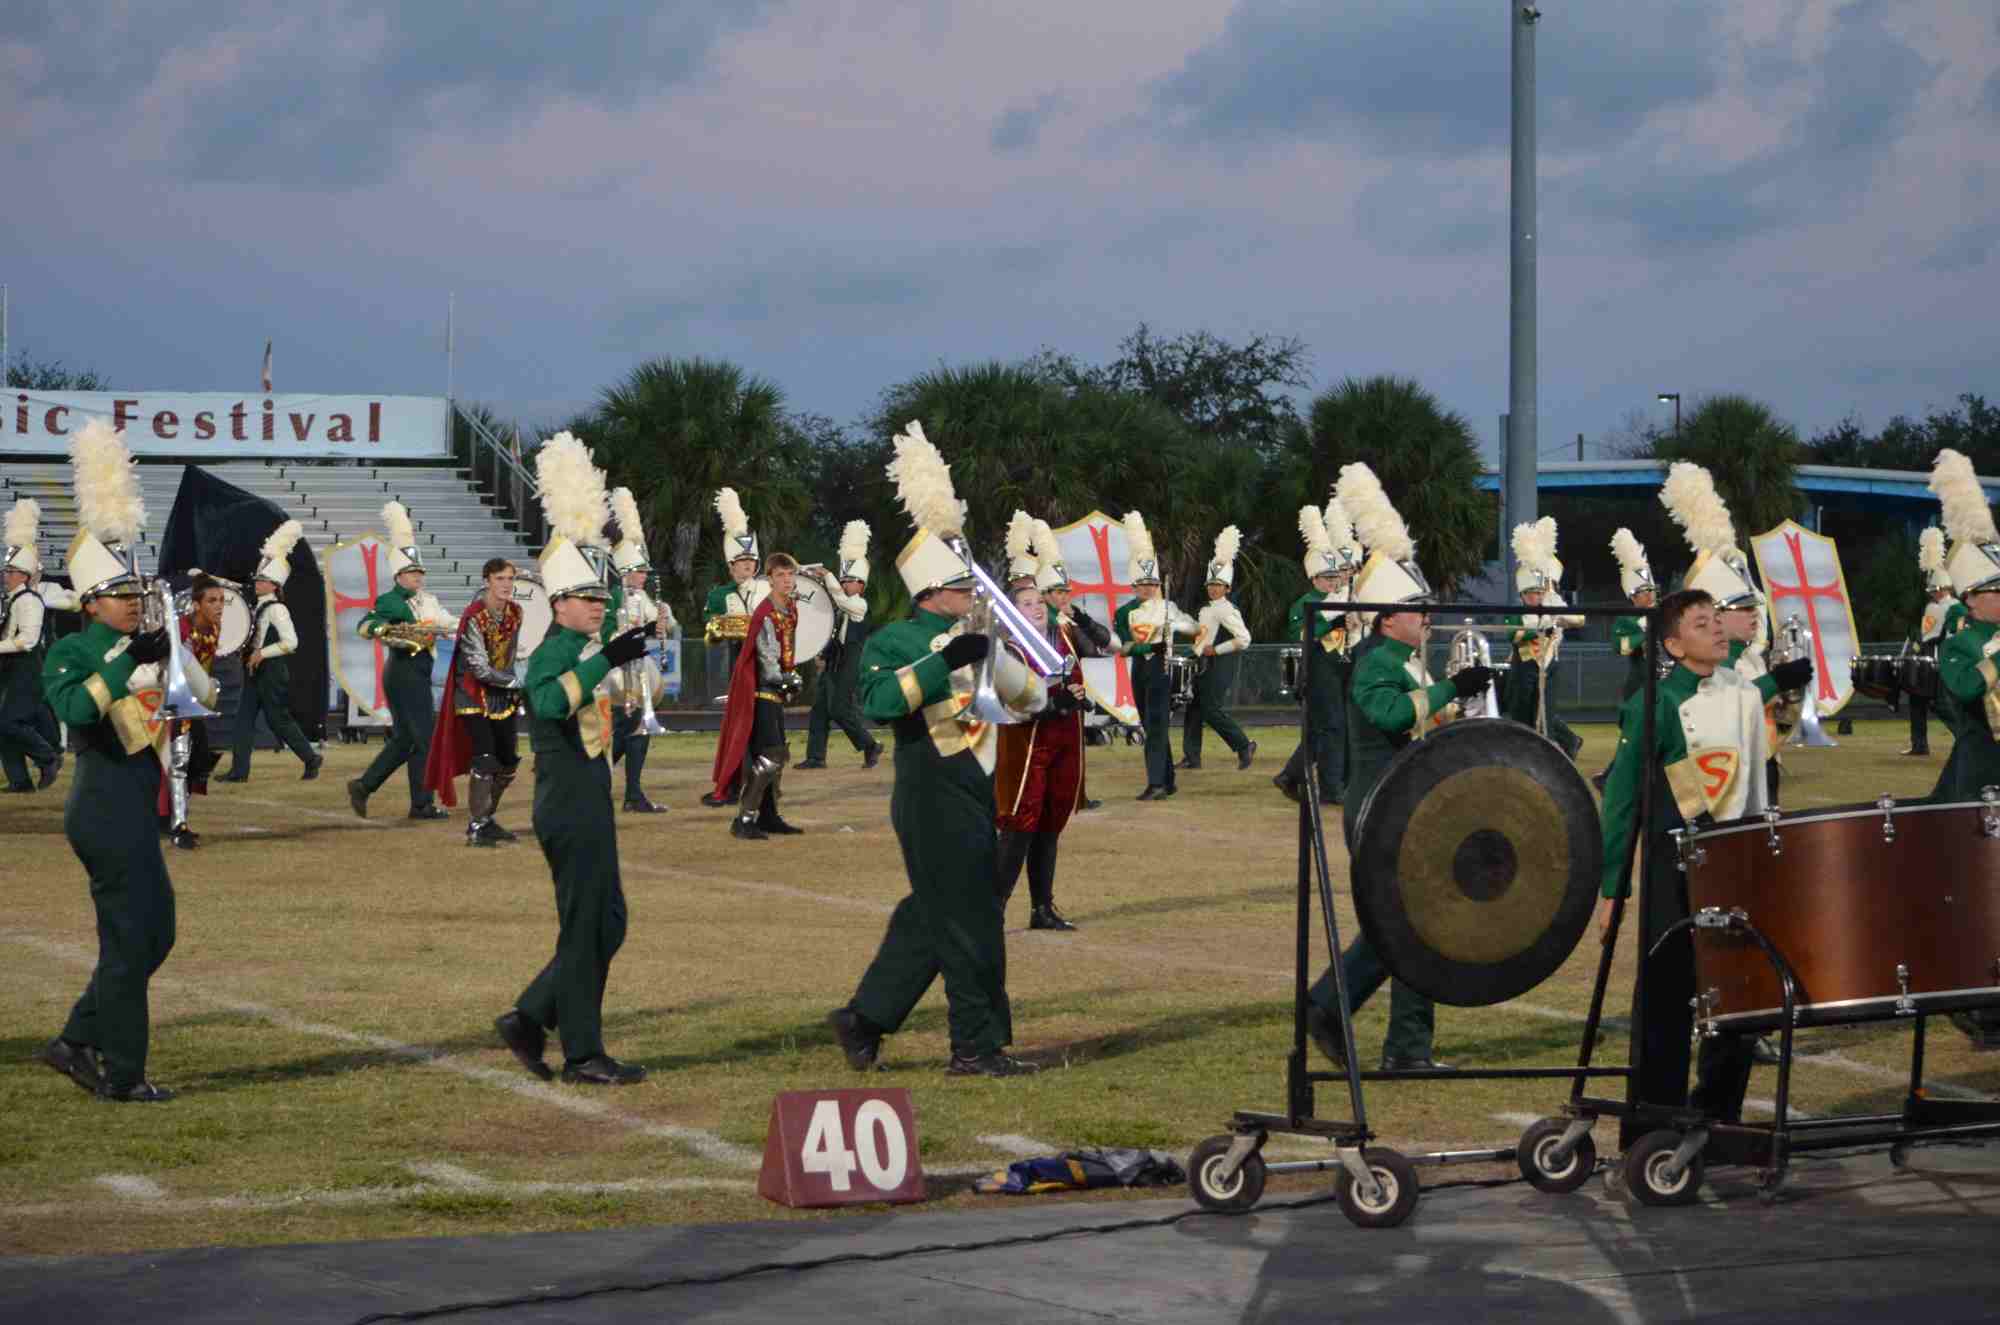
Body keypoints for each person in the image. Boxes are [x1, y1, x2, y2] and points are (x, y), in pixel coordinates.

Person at [828, 421, 1046, 1077]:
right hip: (930, 789)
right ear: (930, 593)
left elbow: (1028, 698)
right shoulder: (895, 639)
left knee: (933, 914)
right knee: (970, 921)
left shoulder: (975, 631)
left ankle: (864, 1017)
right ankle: (975, 1045)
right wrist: (945, 658)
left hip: (977, 787)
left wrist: (1011, 662)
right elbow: (879, 702)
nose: (972, 596)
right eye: (962, 589)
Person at [1303, 462, 1491, 1074]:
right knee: (1405, 924)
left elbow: (1421, 719)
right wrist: (1449, 691)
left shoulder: (1407, 660)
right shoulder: (1377, 662)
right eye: (1415, 607)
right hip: (1379, 804)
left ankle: (1401, 1043)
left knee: (1414, 923)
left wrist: (1461, 703)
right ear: (1387, 617)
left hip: (1404, 800)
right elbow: (1388, 714)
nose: (1426, 614)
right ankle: (1334, 1009)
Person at [1596, 588, 1810, 1127]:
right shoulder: (1654, 703)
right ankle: (1654, 1123)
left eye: (1717, 618)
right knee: (1667, 996)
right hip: (1674, 868)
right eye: (1701, 623)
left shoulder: (1737, 688)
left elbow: (1745, 699)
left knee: (1741, 990)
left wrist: (1782, 680)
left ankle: (1719, 1114)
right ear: (1673, 645)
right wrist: (1613, 888)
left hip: (1736, 858)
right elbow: (1622, 798)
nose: (1717, 627)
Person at [492, 432, 653, 1086]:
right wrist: (608, 657)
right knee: (588, 925)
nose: (599, 604)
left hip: (589, 796)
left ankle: (531, 1016)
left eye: (601, 596)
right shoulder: (553, 651)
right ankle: (582, 1052)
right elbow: (548, 701)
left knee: (608, 922)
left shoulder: (584, 646)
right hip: (566, 801)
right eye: (588, 596)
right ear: (558, 602)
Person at [36, 420, 179, 1103]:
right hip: (101, 804)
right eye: (122, 596)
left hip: (136, 800)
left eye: (135, 594)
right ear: (91, 602)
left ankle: (75, 1036)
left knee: (157, 934)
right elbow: (76, 708)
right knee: (127, 938)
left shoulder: (141, 641)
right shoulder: (72, 649)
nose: (133, 604)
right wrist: (127, 658)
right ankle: (122, 1071)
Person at [348, 501, 457, 821]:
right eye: (412, 572)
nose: (418, 576)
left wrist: (469, 624)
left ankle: (364, 786)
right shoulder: (389, 600)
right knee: (424, 738)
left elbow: (448, 623)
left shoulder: (429, 601)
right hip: (403, 670)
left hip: (419, 671)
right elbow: (365, 625)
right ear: (399, 575)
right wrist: (387, 630)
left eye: (419, 571)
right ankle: (421, 804)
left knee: (407, 739)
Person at [994, 581, 1087, 931]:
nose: (1036, 608)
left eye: (1038, 602)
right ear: (1013, 613)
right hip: (1028, 747)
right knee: (1020, 827)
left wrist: (1077, 696)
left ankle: (1042, 908)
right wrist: (1055, 703)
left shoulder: (1064, 641)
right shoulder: (1011, 651)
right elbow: (1014, 707)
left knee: (1050, 827)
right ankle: (991, 909)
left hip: (1065, 744)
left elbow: (1109, 645)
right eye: (1026, 603)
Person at [423, 557, 525, 846]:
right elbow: (478, 667)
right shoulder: (474, 616)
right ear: (487, 581)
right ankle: (477, 826)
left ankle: (487, 819)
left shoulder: (516, 612)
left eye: (510, 578)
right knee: (485, 759)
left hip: (501, 694)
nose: (506, 584)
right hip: (471, 694)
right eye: (500, 579)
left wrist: (512, 685)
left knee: (508, 762)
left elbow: (509, 656)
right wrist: (516, 683)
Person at [217, 521, 322, 784]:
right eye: (258, 579)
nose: (257, 583)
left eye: (262, 580)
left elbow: (291, 642)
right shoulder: (256, 607)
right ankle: (239, 772)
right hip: (254, 670)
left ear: (274, 585)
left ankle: (311, 758)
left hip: (272, 671)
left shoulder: (278, 610)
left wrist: (262, 653)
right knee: (243, 721)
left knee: (279, 721)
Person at [1274, 498, 1362, 804]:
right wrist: (1332, 621)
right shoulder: (1305, 603)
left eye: (1335, 576)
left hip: (1343, 667)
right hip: (1319, 669)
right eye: (1326, 577)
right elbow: (1300, 635)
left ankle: (1291, 775)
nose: (1332, 582)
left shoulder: (1342, 597)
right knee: (1332, 727)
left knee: (1324, 728)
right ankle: (1330, 788)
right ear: (1313, 578)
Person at [712, 553, 805, 839]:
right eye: (780, 575)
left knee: (777, 755)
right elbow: (767, 659)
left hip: (773, 691)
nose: (787, 580)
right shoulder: (766, 613)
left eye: (790, 574)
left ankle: (769, 816)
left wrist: (791, 676)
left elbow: (786, 652)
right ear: (770, 580)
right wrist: (788, 680)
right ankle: (744, 820)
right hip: (760, 691)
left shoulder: (789, 609)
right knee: (770, 756)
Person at [1927, 450, 2000, 803]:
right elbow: (1967, 688)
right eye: (1996, 591)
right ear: (1970, 598)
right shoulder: (1960, 643)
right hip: (1984, 766)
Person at [1112, 510, 1195, 801]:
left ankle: (1157, 783)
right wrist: (1150, 646)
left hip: (1162, 671)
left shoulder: (1167, 607)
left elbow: (1194, 628)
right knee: (1151, 726)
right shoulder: (1124, 612)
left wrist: (1175, 626)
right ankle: (1167, 780)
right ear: (1133, 585)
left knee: (1158, 724)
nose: (1148, 589)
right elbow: (1124, 647)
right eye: (1143, 584)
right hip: (1140, 670)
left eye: (1152, 584)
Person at [604, 488, 674, 813]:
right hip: (615, 672)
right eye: (640, 570)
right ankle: (604, 783)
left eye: (646, 571)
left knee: (635, 731)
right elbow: (608, 635)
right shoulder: (613, 597)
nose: (645, 576)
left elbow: (661, 626)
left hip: (637, 671)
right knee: (625, 730)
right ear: (625, 571)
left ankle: (630, 792)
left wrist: (663, 621)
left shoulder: (642, 597)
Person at [798, 519, 883, 771]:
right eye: (844, 580)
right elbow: (833, 633)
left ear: (861, 585)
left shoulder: (859, 605)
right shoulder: (840, 607)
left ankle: (869, 744)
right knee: (820, 709)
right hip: (835, 661)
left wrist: (828, 576)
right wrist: (823, 654)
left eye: (851, 580)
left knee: (839, 708)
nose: (846, 584)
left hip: (851, 661)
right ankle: (816, 757)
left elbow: (840, 599)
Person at [1038, 523, 1110, 811]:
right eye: (1057, 591)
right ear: (1044, 594)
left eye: (1065, 590)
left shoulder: (1067, 619)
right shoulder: (1042, 622)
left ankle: (1075, 796)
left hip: (1073, 692)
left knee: (1072, 750)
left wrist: (1081, 618)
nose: (1064, 596)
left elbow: (1097, 647)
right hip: (1051, 694)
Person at [700, 486, 764, 808]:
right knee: (738, 729)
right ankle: (732, 784)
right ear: (731, 566)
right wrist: (723, 628)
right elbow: (710, 630)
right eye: (741, 561)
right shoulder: (719, 595)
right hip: (739, 665)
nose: (747, 566)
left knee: (759, 731)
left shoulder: (766, 589)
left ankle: (757, 788)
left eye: (751, 560)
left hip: (766, 665)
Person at [1501, 517, 1585, 760]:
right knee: (1520, 712)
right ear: (1522, 594)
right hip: (1524, 665)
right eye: (1531, 593)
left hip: (1548, 664)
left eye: (1539, 592)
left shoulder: (1552, 605)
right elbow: (1515, 635)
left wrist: (1557, 617)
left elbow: (1579, 620)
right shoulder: (1516, 612)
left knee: (1545, 716)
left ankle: (1551, 752)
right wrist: (1541, 627)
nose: (1536, 597)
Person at [159, 575, 228, 848]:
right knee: (180, 760)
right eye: (212, 600)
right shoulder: (179, 630)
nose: (219, 605)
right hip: (173, 701)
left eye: (221, 600)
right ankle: (178, 826)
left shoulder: (214, 628)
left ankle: (173, 818)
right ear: (196, 605)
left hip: (194, 702)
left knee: (199, 762)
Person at [1180, 526, 1255, 772]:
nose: (1213, 588)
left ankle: (1244, 745)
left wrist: (1217, 650)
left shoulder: (1227, 609)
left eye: (1219, 584)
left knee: (1210, 710)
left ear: (1227, 588)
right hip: (1203, 664)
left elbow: (1244, 638)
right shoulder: (1207, 608)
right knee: (1194, 710)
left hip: (1219, 665)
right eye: (1211, 584)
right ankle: (1192, 757)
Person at [1, 497, 63, 792]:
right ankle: (19, 781)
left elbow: (27, 640)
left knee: (9, 722)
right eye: (6, 571)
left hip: (26, 668)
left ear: (24, 576)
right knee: (3, 726)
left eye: (10, 572)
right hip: (11, 668)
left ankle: (47, 757)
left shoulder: (29, 601)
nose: (6, 576)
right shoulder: (13, 600)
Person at [1594, 528, 1657, 792]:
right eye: (1644, 591)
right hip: (1639, 685)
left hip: (1663, 682)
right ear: (1632, 596)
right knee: (1633, 736)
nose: (1650, 595)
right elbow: (1621, 648)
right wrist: (1643, 630)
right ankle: (1609, 777)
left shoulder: (1662, 613)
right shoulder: (1626, 620)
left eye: (1651, 589)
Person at [1908, 528, 1957, 757]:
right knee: (1920, 699)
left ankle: (1966, 738)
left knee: (1938, 704)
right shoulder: (1959, 605)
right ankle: (1919, 744)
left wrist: (1915, 637)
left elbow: (1927, 637)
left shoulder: (1934, 608)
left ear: (1937, 591)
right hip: (1956, 660)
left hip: (1938, 660)